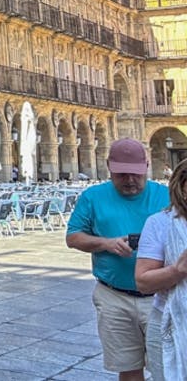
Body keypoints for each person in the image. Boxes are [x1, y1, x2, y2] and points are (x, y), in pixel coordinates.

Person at [68, 138, 169, 381]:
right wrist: (106, 243)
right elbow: (73, 237)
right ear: (109, 167)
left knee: (167, 368)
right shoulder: (92, 197)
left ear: (146, 166)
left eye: (136, 174)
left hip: (161, 298)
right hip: (114, 297)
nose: (130, 180)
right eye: (122, 175)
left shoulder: (166, 196)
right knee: (128, 366)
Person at [136, 160, 187, 381]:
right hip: (171, 324)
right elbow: (143, 282)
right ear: (181, 188)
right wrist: (177, 270)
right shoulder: (160, 223)